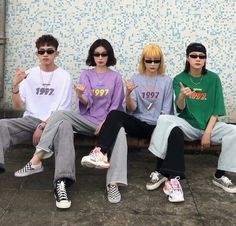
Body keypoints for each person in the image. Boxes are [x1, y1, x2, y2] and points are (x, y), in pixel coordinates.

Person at [15, 39, 124, 209]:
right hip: (88, 121)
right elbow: (86, 104)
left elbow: (116, 105)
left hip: (107, 122)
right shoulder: (86, 75)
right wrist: (80, 95)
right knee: (59, 114)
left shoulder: (116, 77)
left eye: (104, 54)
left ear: (109, 56)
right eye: (97, 54)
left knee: (121, 132)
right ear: (92, 56)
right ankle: (38, 157)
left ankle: (113, 184)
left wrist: (107, 123)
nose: (100, 57)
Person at [81, 43, 173, 203]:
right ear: (143, 61)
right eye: (148, 60)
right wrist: (128, 93)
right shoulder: (135, 79)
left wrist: (160, 132)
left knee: (169, 130)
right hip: (139, 124)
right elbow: (132, 108)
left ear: (161, 62)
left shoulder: (166, 81)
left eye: (156, 61)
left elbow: (166, 111)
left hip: (158, 126)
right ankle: (101, 153)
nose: (152, 64)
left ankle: (163, 174)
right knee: (116, 114)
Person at [147, 42, 236, 203]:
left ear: (205, 60)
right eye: (194, 56)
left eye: (201, 56)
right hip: (188, 126)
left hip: (210, 126)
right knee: (164, 119)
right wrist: (182, 96)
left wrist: (208, 132)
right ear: (188, 58)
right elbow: (180, 109)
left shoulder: (213, 79)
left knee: (234, 131)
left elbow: (217, 110)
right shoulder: (179, 79)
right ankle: (160, 170)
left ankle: (220, 175)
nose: (198, 59)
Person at [0, 34, 72, 174]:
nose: (45, 54)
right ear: (37, 54)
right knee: (1, 125)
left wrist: (43, 125)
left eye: (49, 51)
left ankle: (62, 179)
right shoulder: (28, 74)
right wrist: (15, 86)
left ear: (57, 53)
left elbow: (63, 110)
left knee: (64, 130)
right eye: (41, 51)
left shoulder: (64, 76)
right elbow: (18, 107)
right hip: (29, 121)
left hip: (53, 123)